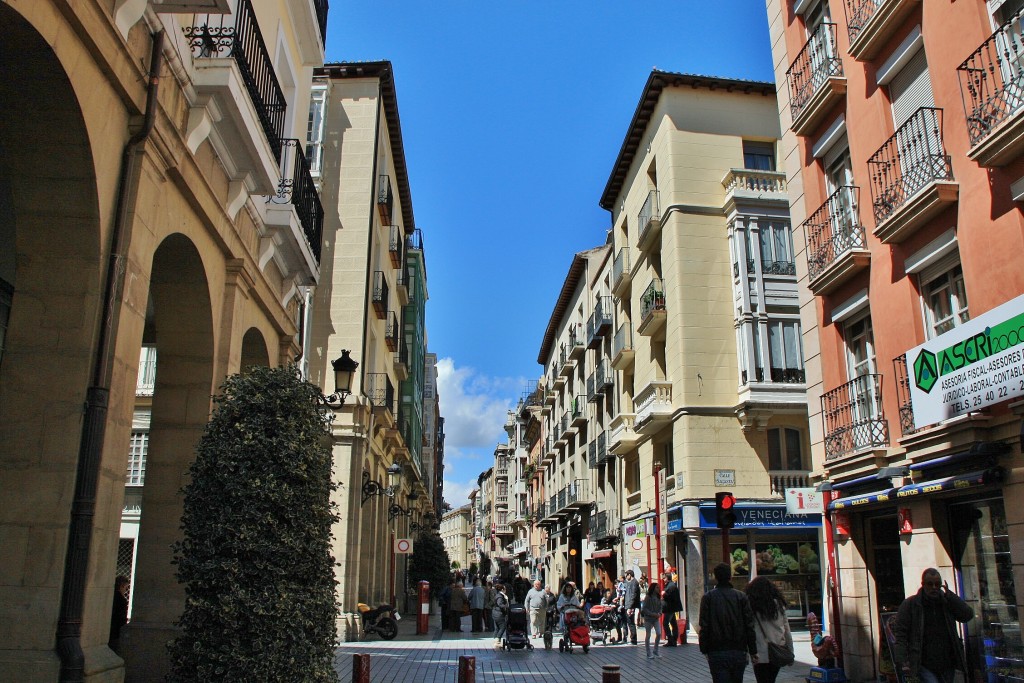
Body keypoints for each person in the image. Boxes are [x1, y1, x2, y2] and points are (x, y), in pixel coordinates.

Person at [893, 568, 974, 683]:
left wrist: (951, 597)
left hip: (947, 661)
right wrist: (901, 661)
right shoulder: (911, 604)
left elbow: (967, 616)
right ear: (923, 584)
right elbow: (901, 633)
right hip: (924, 662)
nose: (934, 587)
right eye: (930, 584)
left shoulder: (947, 602)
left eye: (937, 584)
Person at [699, 563, 758, 683]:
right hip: (738, 649)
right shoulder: (741, 597)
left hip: (716, 650)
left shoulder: (708, 597)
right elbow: (749, 625)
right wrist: (753, 650)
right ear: (730, 577)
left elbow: (704, 625)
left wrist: (704, 648)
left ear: (716, 577)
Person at [745, 576, 794, 683]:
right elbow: (787, 630)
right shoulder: (779, 605)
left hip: (759, 652)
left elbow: (747, 629)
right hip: (777, 649)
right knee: (771, 679)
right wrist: (790, 651)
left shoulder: (752, 605)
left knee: (762, 679)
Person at [109, 575, 130, 654]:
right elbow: (121, 619)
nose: (125, 590)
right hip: (115, 632)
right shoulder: (121, 600)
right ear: (122, 586)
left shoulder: (110, 596)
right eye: (126, 587)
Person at [662, 572, 683, 646]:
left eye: (664, 578)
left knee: (665, 623)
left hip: (670, 608)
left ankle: (671, 640)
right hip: (671, 607)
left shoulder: (671, 586)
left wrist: (663, 594)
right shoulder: (670, 585)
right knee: (673, 623)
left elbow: (669, 597)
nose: (663, 579)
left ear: (667, 578)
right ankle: (673, 639)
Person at [622, 569, 640, 644]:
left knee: (631, 622)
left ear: (630, 575)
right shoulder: (628, 583)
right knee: (629, 622)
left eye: (626, 575)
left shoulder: (634, 583)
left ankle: (633, 639)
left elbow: (633, 595)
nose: (626, 577)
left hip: (631, 606)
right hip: (627, 605)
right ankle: (632, 638)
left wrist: (630, 606)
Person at [492, 583, 510, 648]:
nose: (506, 590)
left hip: (495, 613)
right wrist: (506, 606)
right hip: (499, 614)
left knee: (497, 627)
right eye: (505, 589)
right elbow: (500, 604)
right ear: (502, 589)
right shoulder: (500, 596)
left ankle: (495, 640)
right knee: (503, 627)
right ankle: (498, 640)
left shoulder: (497, 595)